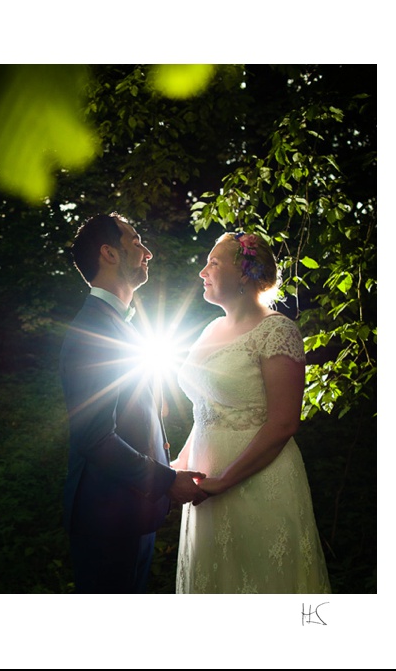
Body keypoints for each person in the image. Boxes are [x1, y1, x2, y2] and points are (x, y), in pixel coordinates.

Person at [173, 231, 331, 593]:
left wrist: (225, 481)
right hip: (207, 488)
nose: (203, 271)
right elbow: (206, 412)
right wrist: (178, 468)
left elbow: (284, 422)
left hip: (258, 483)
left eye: (214, 262)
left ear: (244, 273)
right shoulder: (211, 329)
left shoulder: (277, 330)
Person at [60, 213, 208, 594]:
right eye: (136, 241)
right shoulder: (93, 330)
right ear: (109, 253)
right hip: (108, 517)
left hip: (133, 511)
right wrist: (166, 480)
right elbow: (94, 438)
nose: (148, 252)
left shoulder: (122, 324)